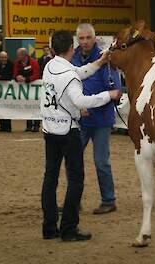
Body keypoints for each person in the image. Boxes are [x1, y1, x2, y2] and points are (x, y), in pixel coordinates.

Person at [41, 30, 121, 241]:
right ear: (72, 47)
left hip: (50, 130)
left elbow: (79, 71)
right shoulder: (69, 75)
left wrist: (99, 62)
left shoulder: (50, 65)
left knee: (50, 178)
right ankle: (68, 228)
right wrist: (109, 95)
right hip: (68, 132)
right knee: (76, 180)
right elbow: (81, 101)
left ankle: (49, 227)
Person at [71, 23, 122, 214]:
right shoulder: (72, 58)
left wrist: (90, 105)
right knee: (74, 161)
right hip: (79, 120)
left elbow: (115, 91)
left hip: (101, 120)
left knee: (101, 162)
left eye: (87, 38)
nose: (84, 42)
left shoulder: (106, 60)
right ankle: (74, 201)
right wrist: (78, 105)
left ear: (94, 38)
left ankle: (109, 200)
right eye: (81, 38)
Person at [13, 48, 40, 132]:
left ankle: (36, 125)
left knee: (35, 105)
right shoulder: (17, 62)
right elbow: (14, 73)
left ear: (23, 55)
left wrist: (26, 79)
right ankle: (28, 125)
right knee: (27, 105)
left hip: (33, 87)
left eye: (19, 55)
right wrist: (17, 78)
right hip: (23, 89)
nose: (17, 56)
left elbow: (36, 75)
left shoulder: (33, 62)